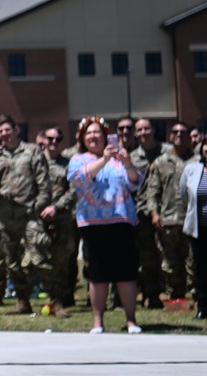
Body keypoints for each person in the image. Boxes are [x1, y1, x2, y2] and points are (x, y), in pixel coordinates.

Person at [68, 116, 143, 334]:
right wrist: (104, 159)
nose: (93, 136)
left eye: (97, 132)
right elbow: (80, 179)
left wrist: (127, 164)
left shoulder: (119, 158)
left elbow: (135, 182)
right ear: (83, 137)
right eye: (88, 133)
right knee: (98, 274)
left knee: (126, 273)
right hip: (93, 223)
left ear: (106, 136)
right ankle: (98, 321)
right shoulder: (79, 159)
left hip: (121, 220)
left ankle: (131, 320)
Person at [0, 114, 52, 314]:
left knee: (39, 257)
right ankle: (23, 302)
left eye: (7, 129)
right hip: (5, 218)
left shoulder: (31, 151)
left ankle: (56, 299)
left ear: (16, 130)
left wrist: (36, 208)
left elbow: (44, 184)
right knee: (11, 263)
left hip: (28, 215)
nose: (4, 134)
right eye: (0, 131)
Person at [146, 121, 195, 300]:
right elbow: (152, 191)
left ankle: (197, 297)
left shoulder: (197, 162)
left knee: (193, 262)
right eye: (175, 132)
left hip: (192, 222)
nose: (179, 135)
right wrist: (154, 213)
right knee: (170, 263)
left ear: (189, 137)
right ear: (170, 136)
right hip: (167, 221)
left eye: (183, 132)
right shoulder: (160, 162)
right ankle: (175, 296)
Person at [119, 115, 164, 309]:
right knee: (147, 257)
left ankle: (173, 294)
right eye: (140, 130)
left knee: (166, 256)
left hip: (167, 212)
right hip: (141, 213)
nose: (143, 133)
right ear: (136, 134)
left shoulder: (167, 152)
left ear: (153, 129)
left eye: (147, 128)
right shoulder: (133, 158)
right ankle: (149, 294)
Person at [37, 127, 76, 316]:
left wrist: (57, 207)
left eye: (58, 139)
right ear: (43, 139)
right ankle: (26, 299)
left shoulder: (68, 164)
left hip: (60, 219)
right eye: (50, 138)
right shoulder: (34, 161)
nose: (54, 142)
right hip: (36, 219)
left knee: (60, 262)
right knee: (36, 261)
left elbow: (74, 190)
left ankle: (58, 301)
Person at [179, 133, 207, 319]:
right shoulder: (191, 169)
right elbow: (184, 195)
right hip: (200, 230)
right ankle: (203, 306)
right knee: (202, 270)